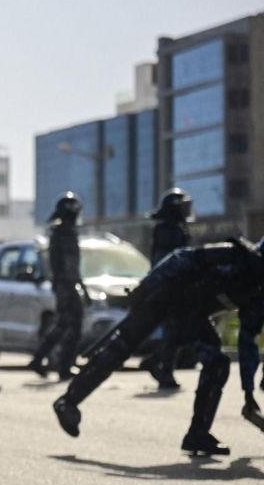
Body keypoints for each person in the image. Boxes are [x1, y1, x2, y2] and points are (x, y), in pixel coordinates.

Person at [53, 237, 264, 455]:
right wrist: (145, 288)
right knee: (121, 348)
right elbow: (180, 257)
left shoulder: (259, 291)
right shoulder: (234, 255)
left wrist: (248, 392)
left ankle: (197, 435)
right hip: (162, 296)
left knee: (217, 364)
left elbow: (248, 339)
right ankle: (67, 402)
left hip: (190, 314)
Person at [139, 188, 194, 390]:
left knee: (179, 331)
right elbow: (166, 262)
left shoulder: (176, 228)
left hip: (176, 286)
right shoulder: (167, 231)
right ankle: (163, 370)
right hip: (169, 287)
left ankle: (158, 363)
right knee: (174, 330)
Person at [27, 192, 84, 381]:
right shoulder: (65, 232)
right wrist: (76, 287)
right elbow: (69, 266)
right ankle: (64, 366)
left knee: (62, 324)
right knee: (72, 325)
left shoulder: (59, 231)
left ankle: (40, 358)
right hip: (65, 285)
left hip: (64, 285)